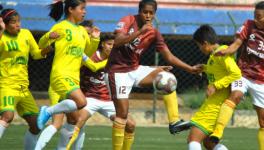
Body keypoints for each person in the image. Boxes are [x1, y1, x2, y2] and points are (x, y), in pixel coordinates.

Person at [104, 0, 202, 149]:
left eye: (151, 13)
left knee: (167, 78)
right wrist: (139, 32)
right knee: (123, 115)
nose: (148, 15)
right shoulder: (128, 20)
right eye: (145, 12)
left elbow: (169, 57)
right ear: (139, 11)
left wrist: (190, 69)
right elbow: (116, 42)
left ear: (155, 14)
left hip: (134, 70)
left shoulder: (154, 33)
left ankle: (174, 122)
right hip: (117, 72)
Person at [35, 19, 105, 149]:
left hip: (71, 83)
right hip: (61, 83)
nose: (87, 37)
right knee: (57, 124)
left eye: (88, 36)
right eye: (87, 34)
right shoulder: (65, 35)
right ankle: (38, 144)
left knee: (76, 121)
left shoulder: (80, 52)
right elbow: (42, 44)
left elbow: (92, 64)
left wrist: (95, 40)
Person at [36, 0, 100, 131]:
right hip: (61, 73)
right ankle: (48, 111)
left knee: (74, 115)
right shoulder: (61, 26)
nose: (85, 12)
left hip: (74, 76)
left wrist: (95, 39)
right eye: (82, 8)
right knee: (82, 102)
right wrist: (48, 36)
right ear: (71, 9)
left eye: (85, 9)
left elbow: (87, 53)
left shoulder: (82, 30)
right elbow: (41, 45)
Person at [65, 33, 136, 150]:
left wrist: (155, 69)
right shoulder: (91, 56)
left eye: (114, 45)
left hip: (109, 100)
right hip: (89, 98)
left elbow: (135, 69)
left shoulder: (118, 60)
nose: (111, 47)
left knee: (130, 124)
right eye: (109, 44)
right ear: (102, 44)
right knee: (78, 121)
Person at [210, 2, 264, 149]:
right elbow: (236, 44)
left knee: (262, 122)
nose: (256, 19)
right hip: (243, 74)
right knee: (236, 95)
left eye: (259, 17)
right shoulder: (248, 25)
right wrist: (227, 51)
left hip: (261, 81)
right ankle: (218, 131)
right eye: (255, 15)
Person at [0, 8, 51, 150]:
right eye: (13, 22)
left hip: (23, 88)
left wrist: (48, 48)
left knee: (36, 125)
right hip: (6, 85)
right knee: (8, 116)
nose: (18, 25)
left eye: (19, 21)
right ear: (5, 24)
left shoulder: (26, 34)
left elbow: (36, 54)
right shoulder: (2, 37)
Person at [186, 25, 241, 150]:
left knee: (193, 138)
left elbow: (236, 73)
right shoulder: (214, 55)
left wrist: (215, 86)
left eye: (199, 46)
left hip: (215, 106)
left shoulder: (222, 53)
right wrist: (205, 68)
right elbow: (219, 72)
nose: (199, 49)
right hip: (213, 104)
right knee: (209, 143)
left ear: (205, 43)